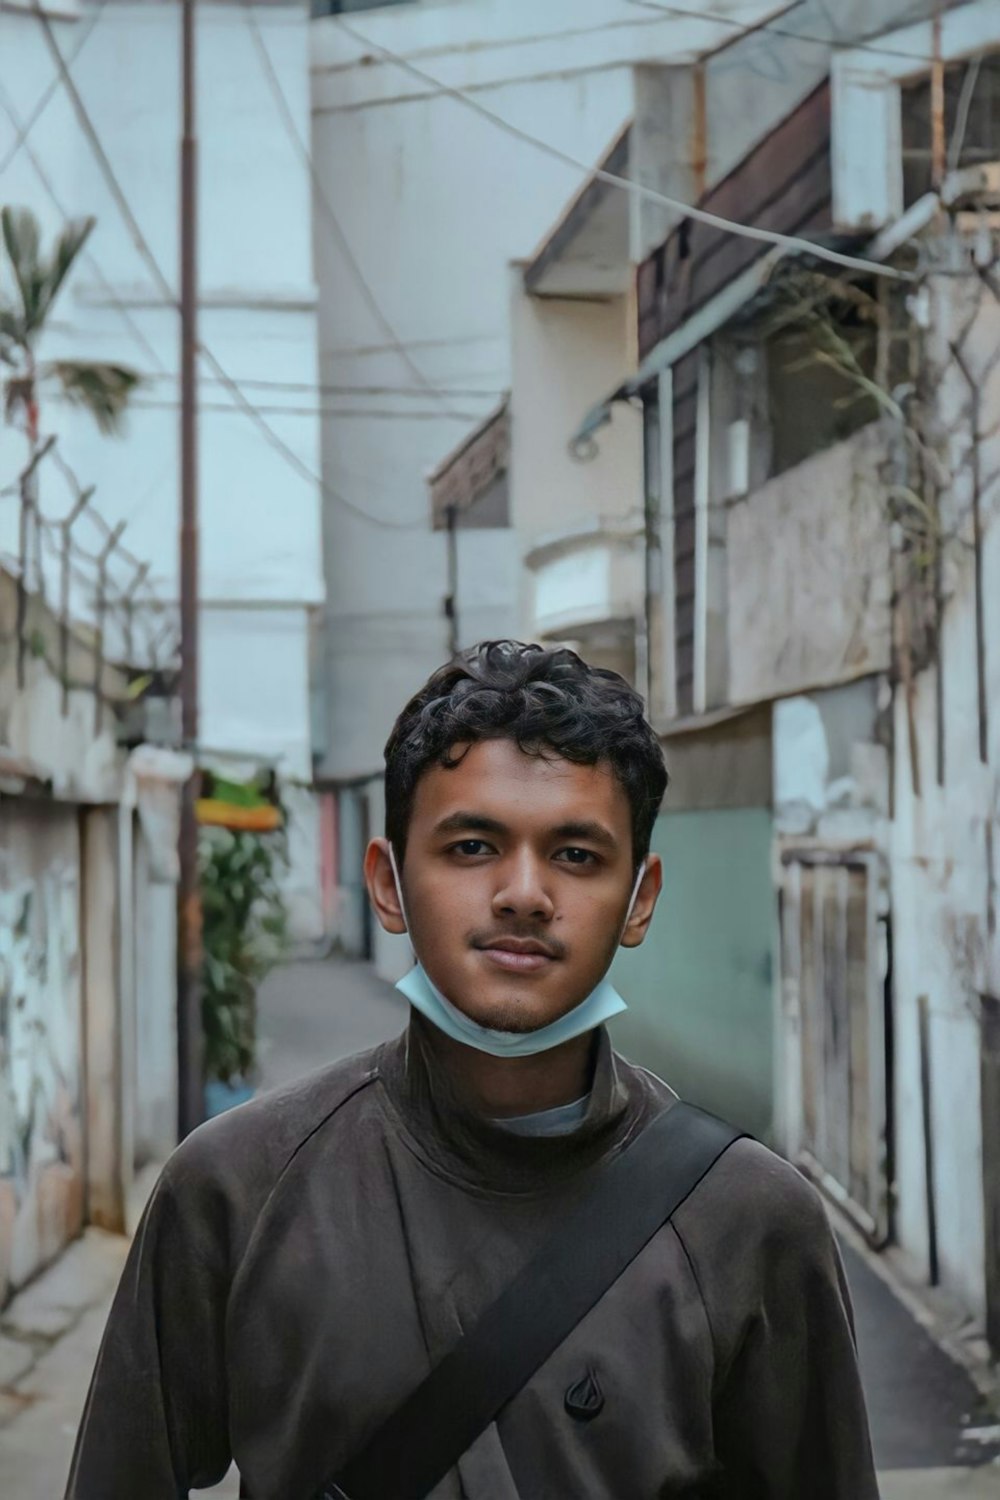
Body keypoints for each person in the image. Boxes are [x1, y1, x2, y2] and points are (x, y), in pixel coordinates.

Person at [67, 640, 878, 1499]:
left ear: (639, 898)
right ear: (387, 882)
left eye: (575, 855)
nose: (524, 893)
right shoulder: (234, 1191)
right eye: (471, 846)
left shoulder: (751, 1224)